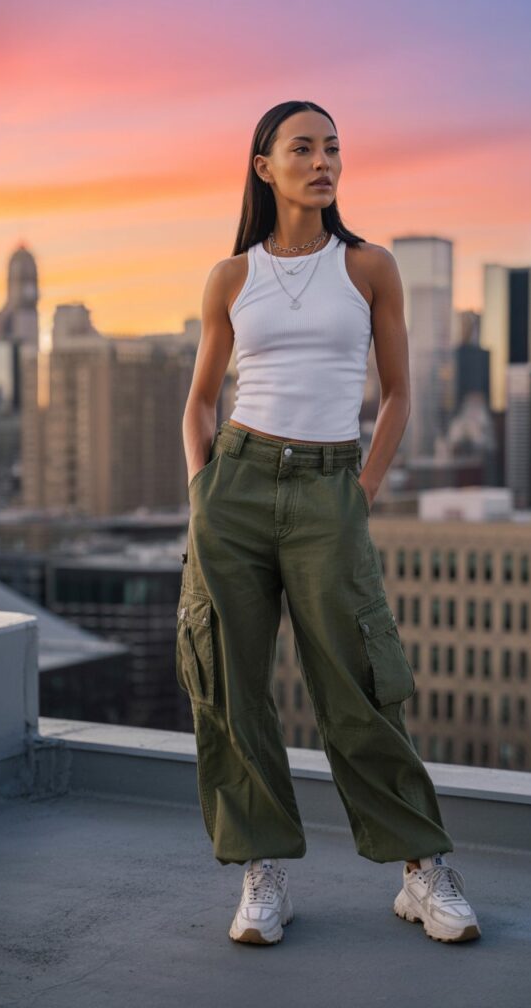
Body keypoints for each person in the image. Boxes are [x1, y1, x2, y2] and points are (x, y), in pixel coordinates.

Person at [176, 99, 481, 946]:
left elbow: (399, 395)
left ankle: (423, 870)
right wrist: (204, 491)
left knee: (358, 686)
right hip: (234, 488)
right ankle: (261, 872)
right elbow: (200, 401)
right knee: (233, 687)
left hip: (327, 489)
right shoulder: (231, 277)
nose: (323, 162)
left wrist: (362, 489)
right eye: (302, 148)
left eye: (333, 149)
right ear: (263, 166)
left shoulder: (369, 267)